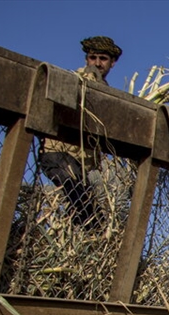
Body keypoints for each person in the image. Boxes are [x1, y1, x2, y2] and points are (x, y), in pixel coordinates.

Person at [39, 36, 123, 226]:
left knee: (91, 206)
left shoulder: (107, 92)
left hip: (85, 165)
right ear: (86, 59)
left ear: (112, 63)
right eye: (93, 58)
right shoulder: (76, 79)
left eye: (103, 59)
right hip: (59, 155)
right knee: (83, 206)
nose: (97, 63)